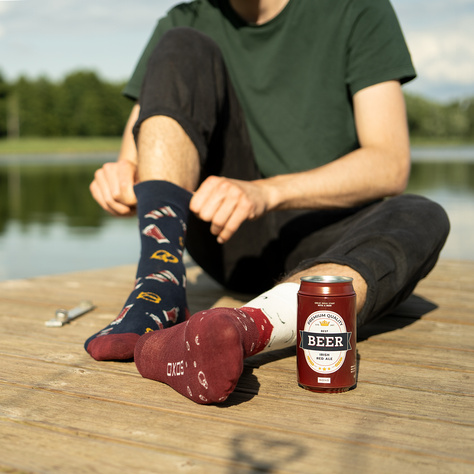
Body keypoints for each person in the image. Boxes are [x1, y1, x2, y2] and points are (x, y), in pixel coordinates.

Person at [84, 0, 450, 404]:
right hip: (225, 236)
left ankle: (236, 329)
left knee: (421, 215)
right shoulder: (184, 17)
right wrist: (121, 176)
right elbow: (135, 157)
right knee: (181, 44)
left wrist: (267, 192)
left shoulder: (357, 9)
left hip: (327, 240)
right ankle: (157, 292)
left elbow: (388, 163)